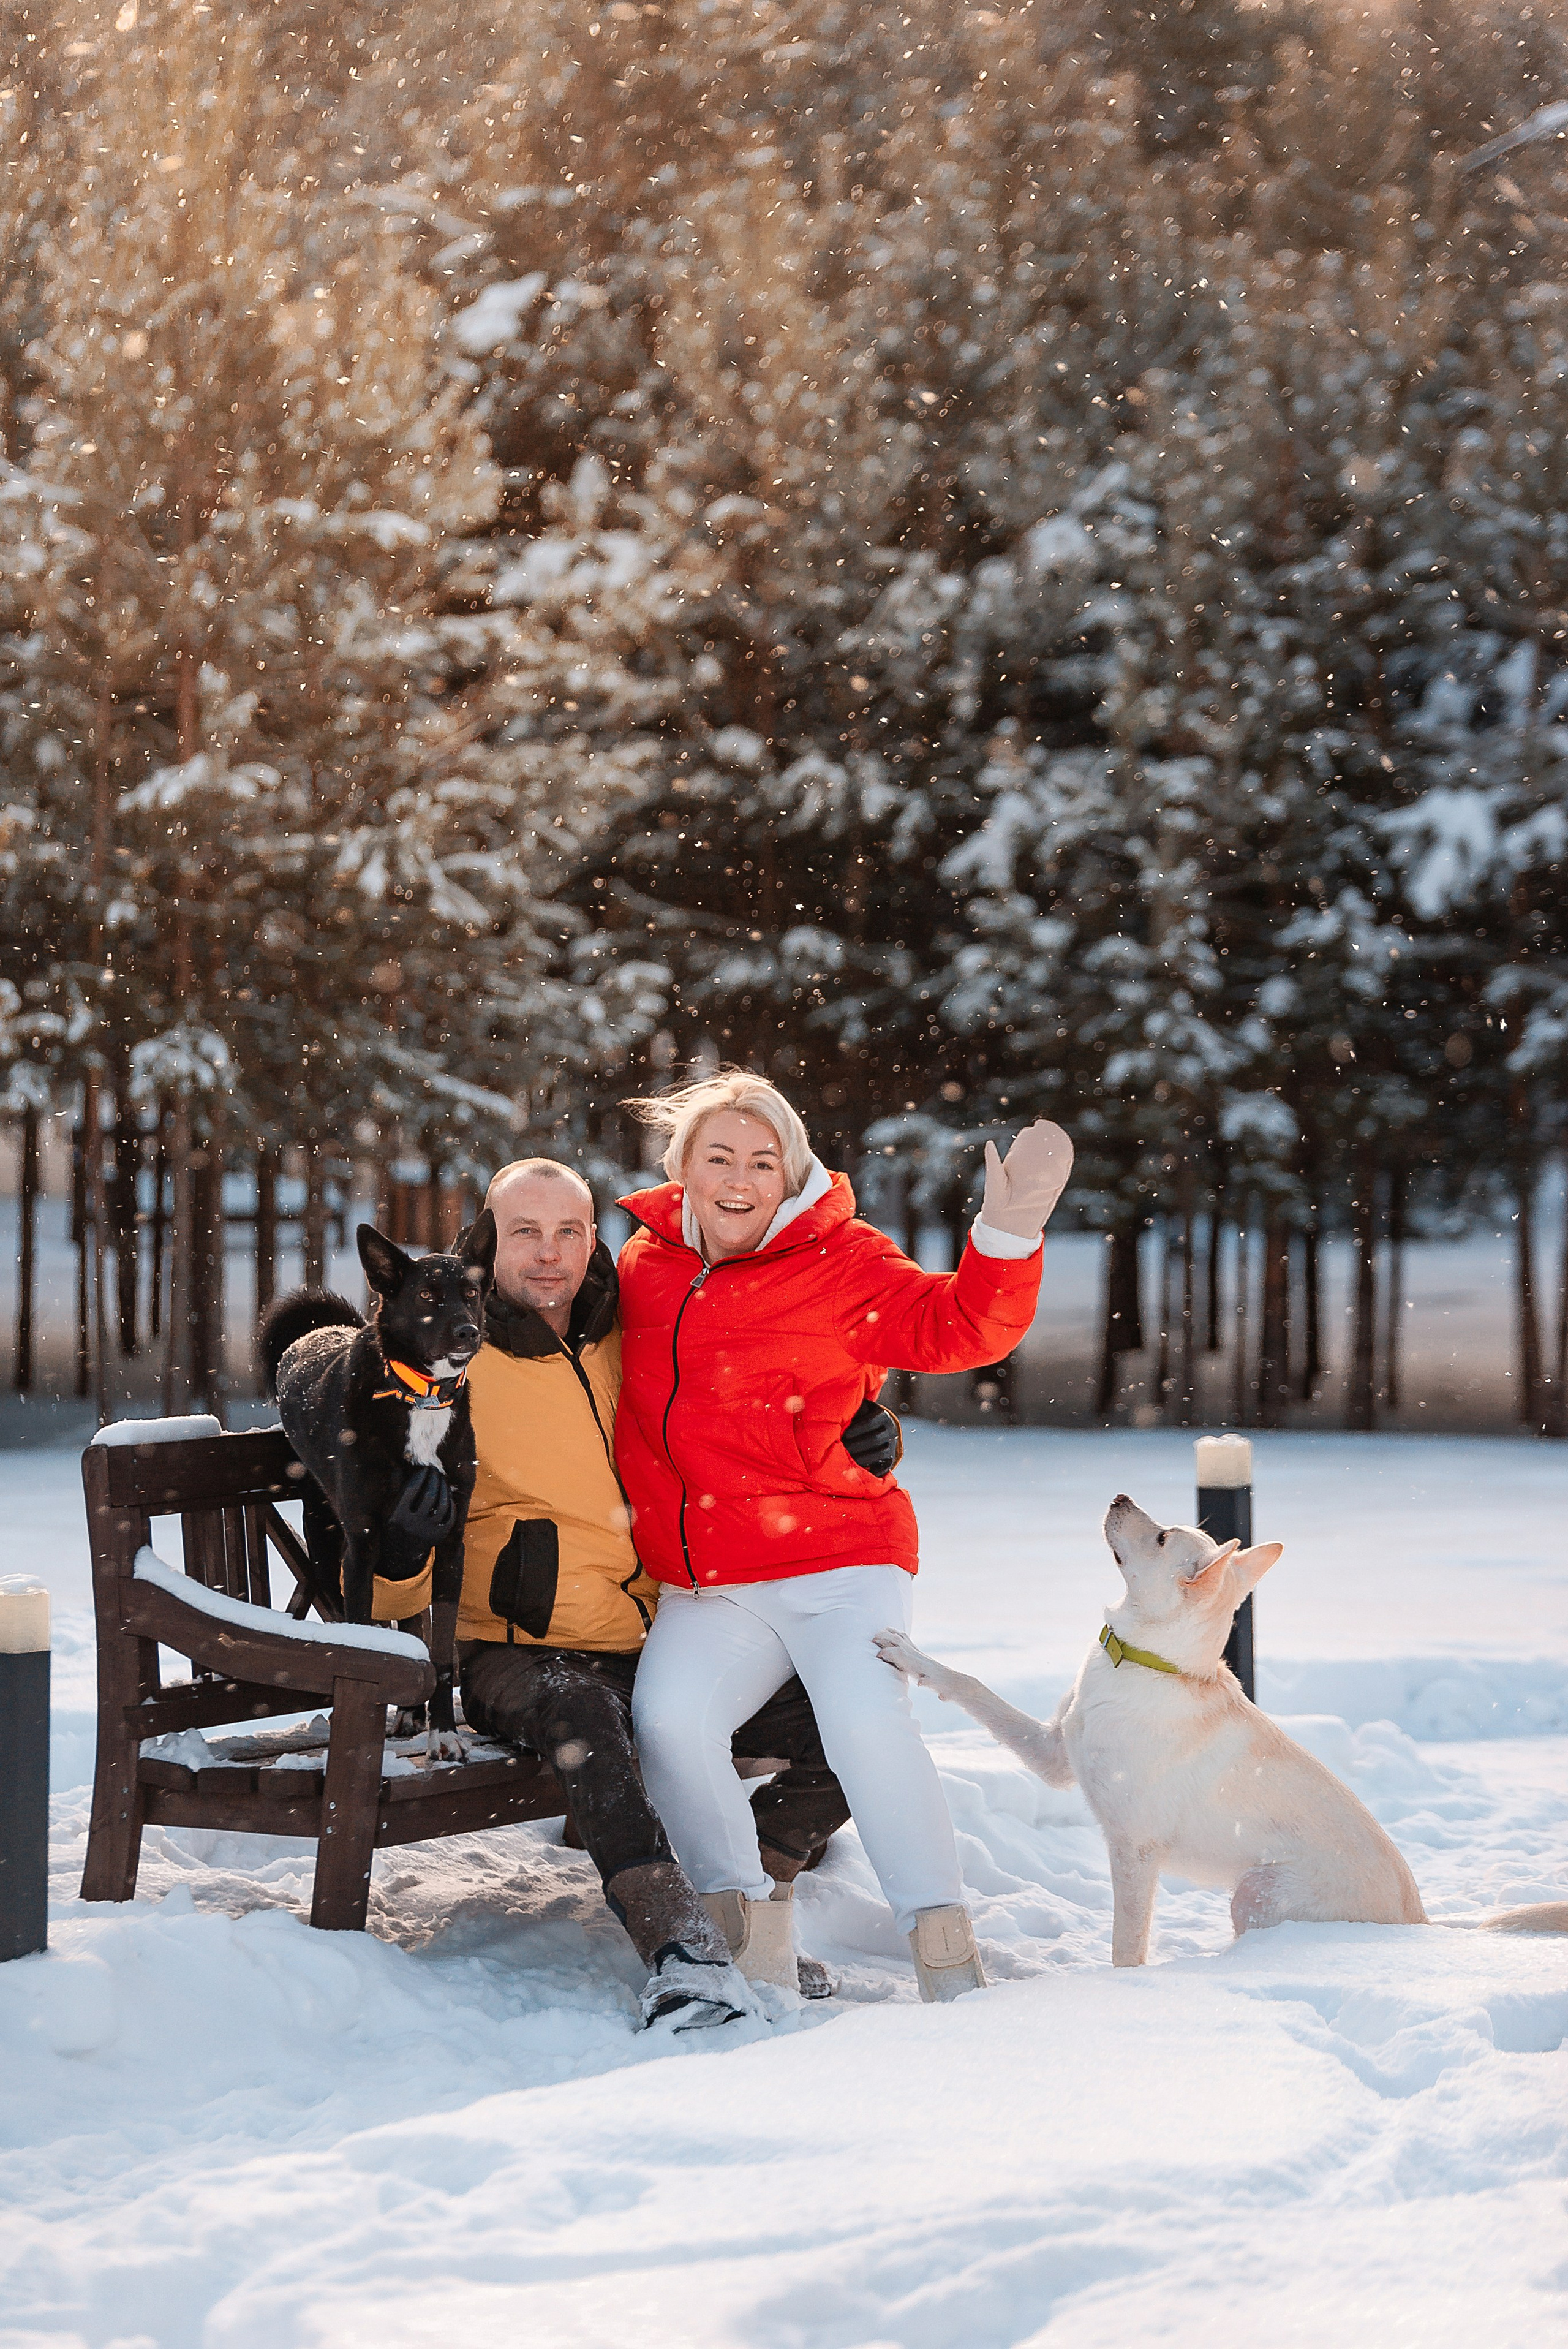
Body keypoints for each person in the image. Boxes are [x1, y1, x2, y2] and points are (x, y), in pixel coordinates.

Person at [617, 1073, 1072, 2002]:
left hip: (839, 1559)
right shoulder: (641, 1266)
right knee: (669, 1722)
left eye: (762, 1160)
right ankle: (746, 1931)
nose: (740, 1179)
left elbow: (959, 1326)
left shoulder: (842, 1256)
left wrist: (1007, 1236)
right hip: (713, 1578)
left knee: (866, 1721)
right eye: (720, 1158)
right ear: (682, 1170)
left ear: (790, 1175)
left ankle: (945, 1948)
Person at [450, 1157, 888, 2032]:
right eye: (525, 1231)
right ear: (489, 1236)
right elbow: (345, 1387)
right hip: (521, 1649)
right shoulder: (452, 1351)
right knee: (586, 1719)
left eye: (569, 1231)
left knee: (856, 1703)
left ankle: (744, 1904)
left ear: (592, 1237)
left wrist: (847, 1427)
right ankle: (682, 1949)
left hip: (659, 1634)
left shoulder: (634, 1326)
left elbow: (747, 1401)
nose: (549, 1255)